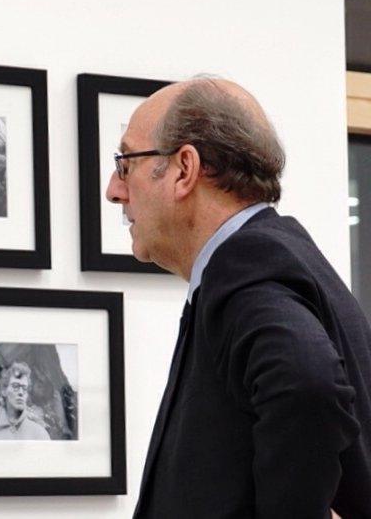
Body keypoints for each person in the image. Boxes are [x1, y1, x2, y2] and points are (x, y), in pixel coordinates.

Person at [105, 77, 371, 518]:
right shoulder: (267, 258)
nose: (114, 189)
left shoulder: (249, 262)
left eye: (125, 163)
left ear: (184, 169)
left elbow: (308, 385)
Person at [0, 362, 51, 441]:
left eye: (24, 388)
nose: (21, 392)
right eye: (16, 386)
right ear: (4, 390)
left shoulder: (39, 434)